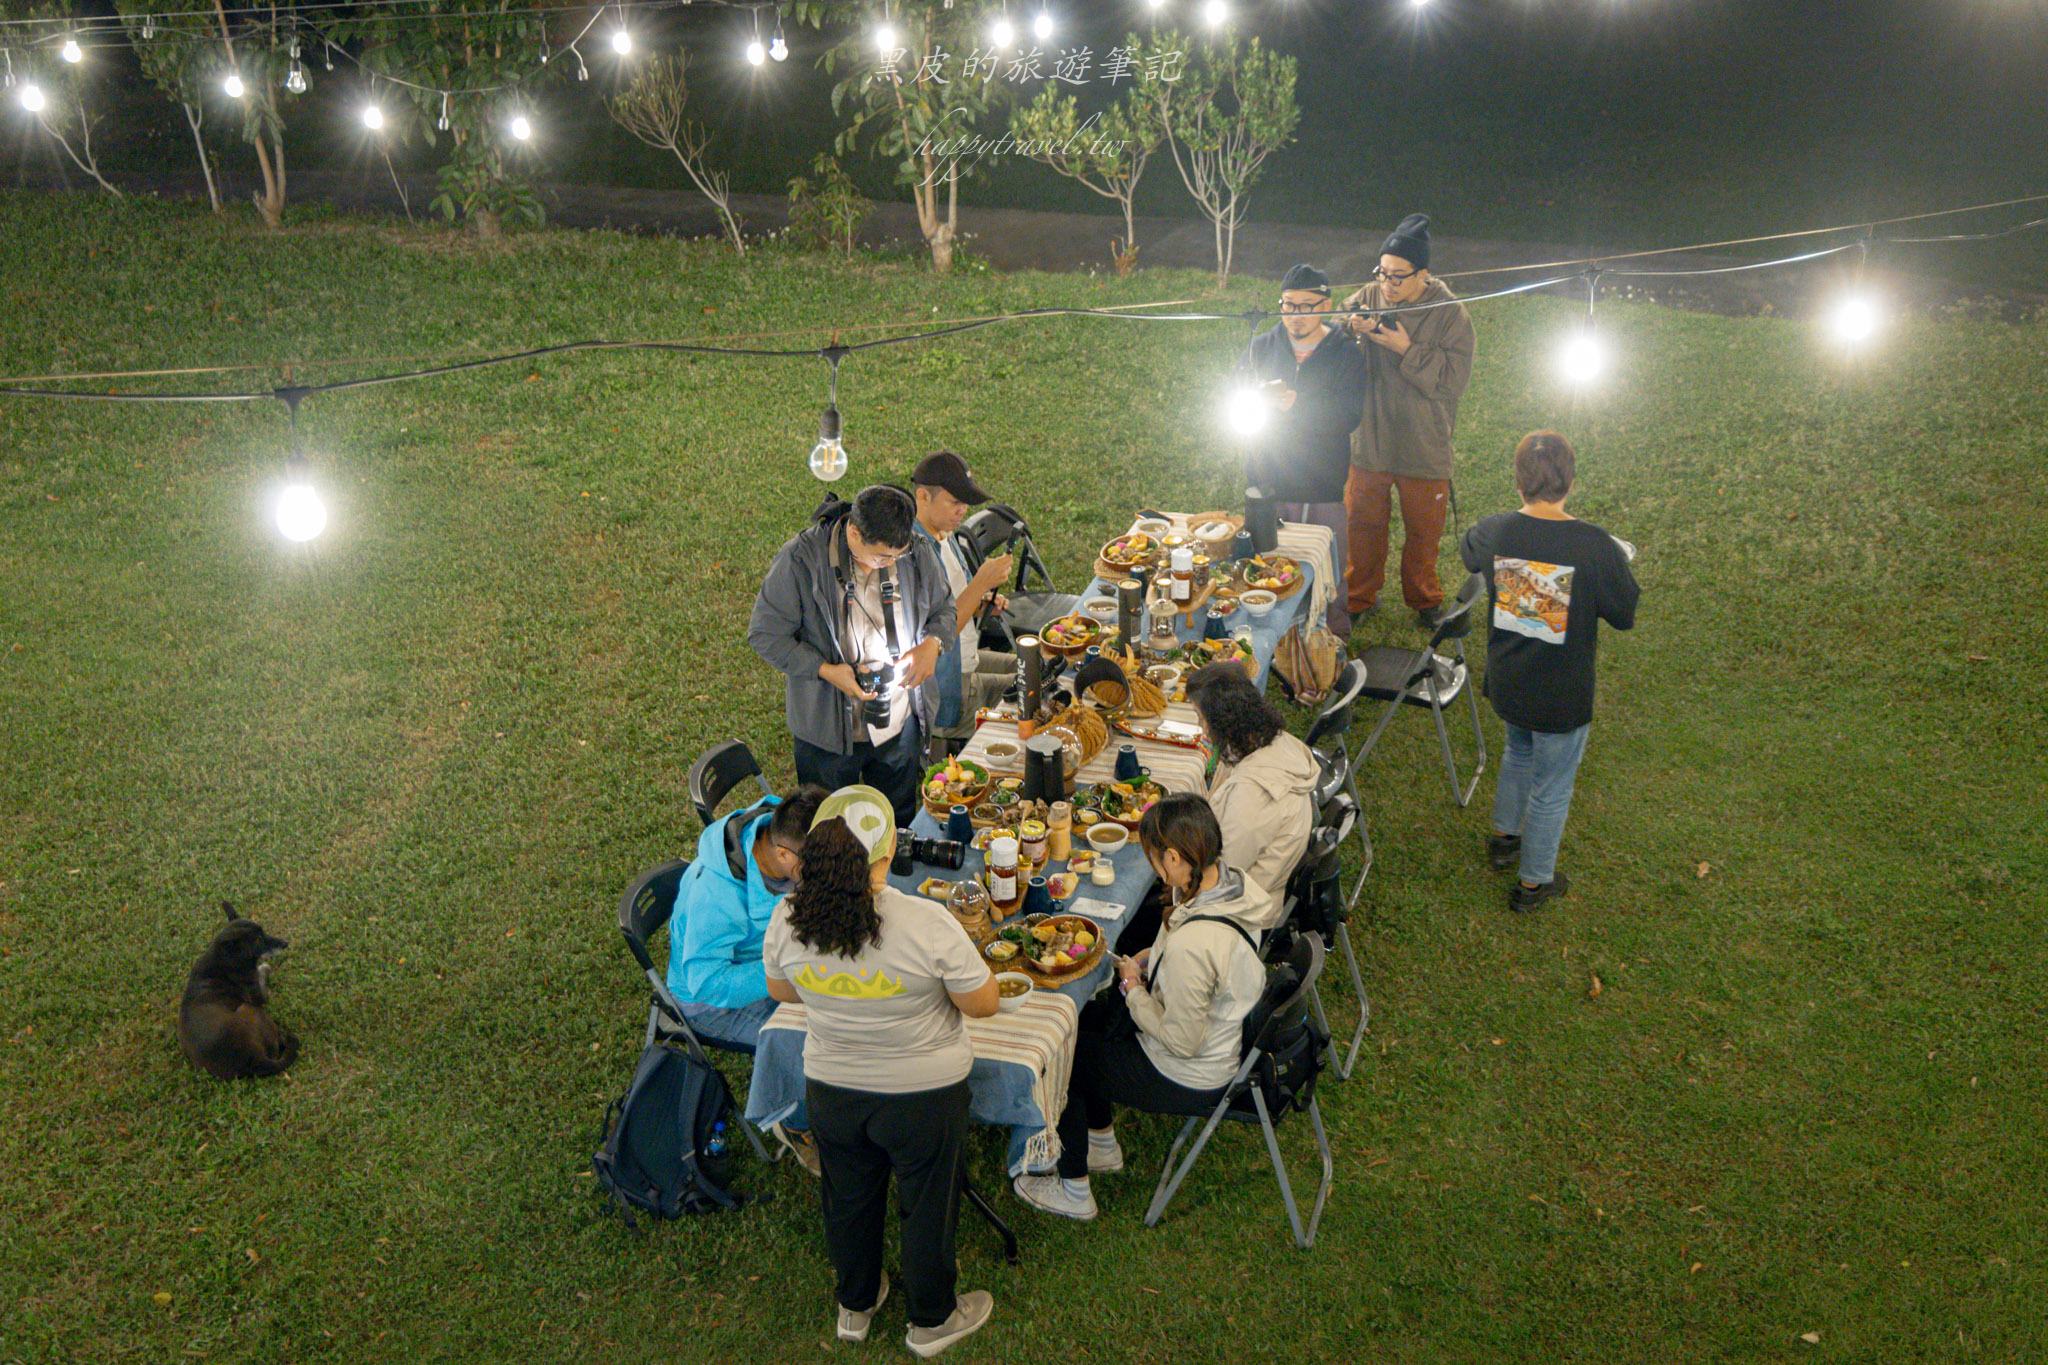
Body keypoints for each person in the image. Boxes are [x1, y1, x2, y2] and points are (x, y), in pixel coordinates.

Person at [763, 786, 1000, 1358]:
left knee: (847, 1197)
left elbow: (781, 991)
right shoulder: (927, 923)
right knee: (925, 1204)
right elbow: (983, 1003)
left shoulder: (787, 919)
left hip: (833, 1089)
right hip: (923, 1095)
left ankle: (855, 1305)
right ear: (887, 853)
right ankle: (931, 1319)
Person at [1012, 794, 1267, 1222]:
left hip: (1189, 1071)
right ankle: (1101, 1144)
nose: (1154, 869)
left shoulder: (1194, 946)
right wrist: (1155, 956)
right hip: (1221, 1037)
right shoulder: (1230, 883)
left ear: (1173, 857)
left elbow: (1183, 1040)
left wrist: (1133, 989)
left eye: (1154, 859)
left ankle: (1073, 1191)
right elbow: (1199, 955)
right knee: (1089, 1020)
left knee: (1066, 1057)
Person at [1458, 431, 1639, 912]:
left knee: (1518, 752)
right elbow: (1624, 613)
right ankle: (1534, 883)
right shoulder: (1594, 546)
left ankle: (1503, 838)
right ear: (1570, 481)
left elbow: (1469, 549)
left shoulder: (1497, 530)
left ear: (1519, 482)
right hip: (1560, 693)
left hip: (1511, 682)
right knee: (1552, 788)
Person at [750, 485, 957, 827]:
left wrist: (932, 643)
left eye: (896, 557)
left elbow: (944, 609)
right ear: (854, 532)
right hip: (825, 732)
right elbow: (765, 635)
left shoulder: (914, 551)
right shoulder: (801, 561)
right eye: (880, 558)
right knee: (828, 831)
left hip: (897, 722)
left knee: (899, 821)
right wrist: (826, 670)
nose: (888, 565)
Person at [1339, 213, 1478, 631]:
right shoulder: (1369, 294)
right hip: (1371, 439)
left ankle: (1424, 599)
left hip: (1424, 444)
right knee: (1362, 525)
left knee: (1423, 532)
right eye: (1383, 273)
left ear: (1425, 274)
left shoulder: (1451, 315)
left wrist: (1406, 347)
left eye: (1398, 277)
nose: (1388, 284)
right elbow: (1334, 331)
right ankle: (1359, 597)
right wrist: (1350, 327)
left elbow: (1453, 382)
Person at [1236, 263, 1370, 636]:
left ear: (1326, 305)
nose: (1296, 316)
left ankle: (1328, 639)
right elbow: (1236, 390)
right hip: (1267, 478)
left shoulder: (1345, 354)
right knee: (1266, 563)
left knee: (1325, 565)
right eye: (1289, 305)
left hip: (1320, 482)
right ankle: (1270, 634)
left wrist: (1298, 405)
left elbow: (1349, 415)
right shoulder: (1260, 347)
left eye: (1306, 306)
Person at [667, 782, 828, 1050]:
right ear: (784, 855)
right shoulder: (713, 897)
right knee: (816, 1045)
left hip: (776, 956)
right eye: (821, 864)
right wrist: (788, 968)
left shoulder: (784, 825)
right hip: (713, 1005)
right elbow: (706, 982)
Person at [1184, 662, 1320, 932]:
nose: (1201, 730)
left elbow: (1220, 875)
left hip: (1240, 913)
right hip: (1255, 888)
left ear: (1223, 721)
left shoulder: (1252, 795)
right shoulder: (1275, 741)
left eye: (1202, 719)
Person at [909, 451, 1018, 747]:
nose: (962, 511)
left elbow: (956, 599)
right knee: (1031, 693)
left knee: (1033, 668)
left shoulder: (945, 534)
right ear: (923, 496)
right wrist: (981, 581)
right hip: (950, 684)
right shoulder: (914, 555)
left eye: (965, 504)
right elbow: (934, 635)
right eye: (955, 502)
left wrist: (983, 601)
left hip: (969, 657)